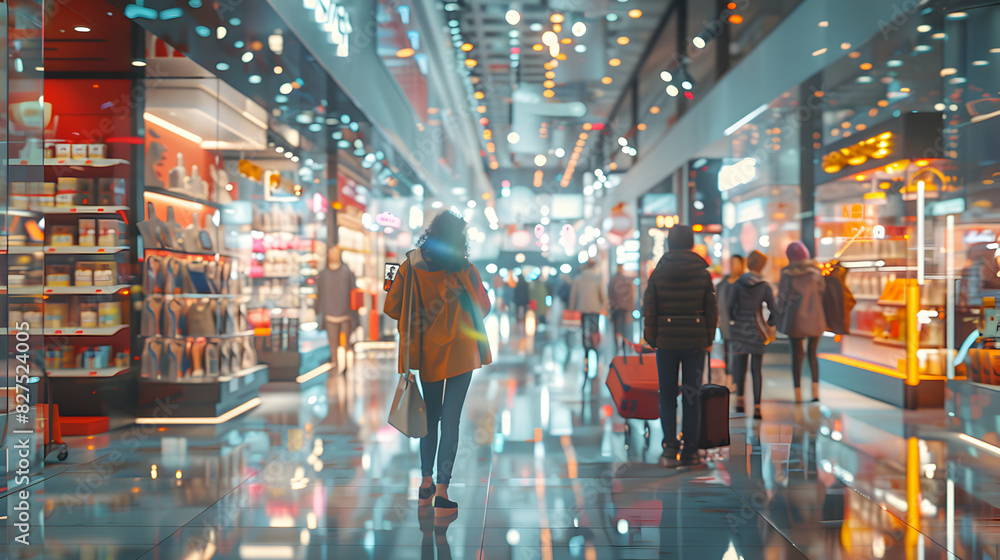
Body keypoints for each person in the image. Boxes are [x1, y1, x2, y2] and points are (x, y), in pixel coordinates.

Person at [384, 211, 492, 518]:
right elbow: (483, 307)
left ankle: (425, 483)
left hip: (428, 352)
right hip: (462, 350)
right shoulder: (465, 269)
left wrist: (393, 284)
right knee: (451, 419)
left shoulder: (410, 266)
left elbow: (391, 307)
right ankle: (443, 490)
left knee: (429, 416)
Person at [642, 225, 718, 468]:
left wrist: (652, 339)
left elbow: (649, 309)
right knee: (691, 394)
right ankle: (691, 451)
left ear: (669, 244)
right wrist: (708, 339)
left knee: (666, 394)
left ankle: (669, 448)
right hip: (695, 341)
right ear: (691, 243)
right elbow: (711, 311)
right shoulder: (703, 273)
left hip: (666, 341)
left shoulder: (658, 273)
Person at [776, 241, 826, 402]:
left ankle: (797, 394)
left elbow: (782, 300)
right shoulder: (816, 273)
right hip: (816, 320)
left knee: (796, 357)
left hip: (795, 321)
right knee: (813, 354)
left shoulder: (787, 274)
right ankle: (815, 392)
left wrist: (775, 318)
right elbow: (823, 292)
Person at [729, 250, 775, 420]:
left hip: (740, 330)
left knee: (739, 368)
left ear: (748, 264)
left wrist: (735, 322)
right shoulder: (764, 286)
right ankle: (757, 406)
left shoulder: (738, 284)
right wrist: (768, 325)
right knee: (757, 370)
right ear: (762, 266)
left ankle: (740, 402)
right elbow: (774, 310)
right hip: (757, 331)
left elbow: (729, 307)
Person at [316, 246, 357, 373]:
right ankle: (338, 365)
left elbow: (320, 295)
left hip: (340, 314)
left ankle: (339, 365)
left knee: (338, 343)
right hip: (337, 314)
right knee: (338, 343)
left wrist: (318, 310)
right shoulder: (345, 272)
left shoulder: (328, 274)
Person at [569, 259, 609, 373]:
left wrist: (572, 308)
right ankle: (595, 349)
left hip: (582, 309)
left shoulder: (578, 278)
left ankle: (586, 351)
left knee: (584, 331)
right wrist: (605, 305)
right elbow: (602, 293)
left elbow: (573, 295)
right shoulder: (597, 277)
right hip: (595, 309)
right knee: (594, 330)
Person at [716, 255, 746, 383]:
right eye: (732, 263)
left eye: (737, 263)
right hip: (725, 322)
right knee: (727, 351)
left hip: (740, 324)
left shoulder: (744, 283)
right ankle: (728, 376)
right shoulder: (722, 284)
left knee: (738, 352)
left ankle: (736, 379)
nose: (734, 266)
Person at [609, 264, 636, 345]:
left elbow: (610, 295)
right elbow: (631, 294)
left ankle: (619, 344)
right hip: (626, 308)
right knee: (626, 327)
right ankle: (626, 344)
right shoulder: (626, 279)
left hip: (616, 307)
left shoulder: (613, 279)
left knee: (618, 327)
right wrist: (632, 306)